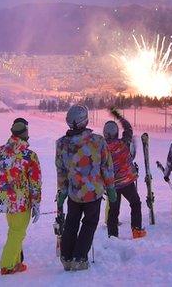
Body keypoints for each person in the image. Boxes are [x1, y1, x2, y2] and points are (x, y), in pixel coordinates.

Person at [56, 104, 116, 271]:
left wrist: (62, 191)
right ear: (85, 121)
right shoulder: (97, 141)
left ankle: (66, 257)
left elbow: (61, 170)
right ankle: (80, 258)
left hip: (74, 192)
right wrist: (111, 188)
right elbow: (106, 166)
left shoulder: (61, 144)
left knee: (71, 222)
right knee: (89, 223)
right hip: (93, 192)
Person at [0, 118, 42, 275]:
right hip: (21, 202)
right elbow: (35, 182)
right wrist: (36, 203)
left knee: (13, 230)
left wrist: (0, 193)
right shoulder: (29, 156)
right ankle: (7, 265)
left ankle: (16, 262)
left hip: (6, 200)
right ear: (26, 133)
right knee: (18, 232)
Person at [104, 109, 146, 239]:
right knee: (135, 203)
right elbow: (128, 128)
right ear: (117, 132)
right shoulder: (124, 143)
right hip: (127, 182)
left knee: (113, 211)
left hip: (112, 185)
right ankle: (136, 230)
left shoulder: (102, 149)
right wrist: (119, 117)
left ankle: (112, 236)